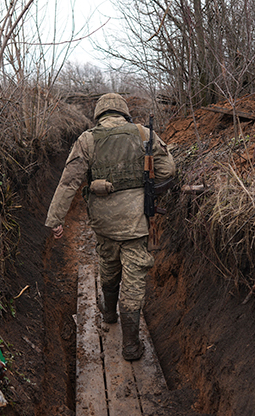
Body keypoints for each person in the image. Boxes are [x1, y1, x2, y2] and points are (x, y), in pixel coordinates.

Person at [46, 93, 176, 361]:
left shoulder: (87, 139)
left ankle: (107, 313)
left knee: (108, 262)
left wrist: (55, 219)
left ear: (99, 115)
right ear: (124, 113)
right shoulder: (143, 133)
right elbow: (168, 171)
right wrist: (145, 184)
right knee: (134, 278)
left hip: (103, 223)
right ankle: (130, 345)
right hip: (137, 220)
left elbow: (69, 182)